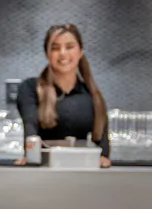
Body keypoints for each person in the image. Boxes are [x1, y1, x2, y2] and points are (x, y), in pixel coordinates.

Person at [16, 22, 112, 166]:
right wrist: (30, 156)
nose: (62, 53)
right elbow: (31, 130)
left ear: (80, 52)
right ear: (47, 54)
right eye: (55, 48)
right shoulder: (30, 88)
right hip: (43, 171)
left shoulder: (91, 94)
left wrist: (103, 158)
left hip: (83, 173)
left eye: (69, 47)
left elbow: (102, 146)